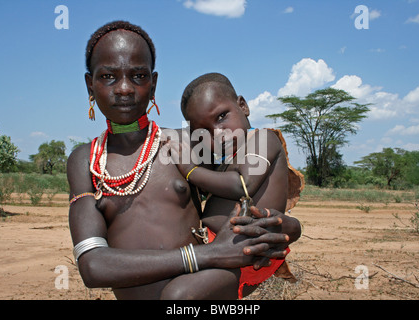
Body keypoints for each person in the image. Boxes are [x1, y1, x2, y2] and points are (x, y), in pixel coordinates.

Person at [67, 20, 300, 300]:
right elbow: (93, 267)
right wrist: (208, 254)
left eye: (138, 76)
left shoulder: (186, 142)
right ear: (89, 85)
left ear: (153, 86)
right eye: (108, 77)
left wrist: (288, 227)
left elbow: (249, 185)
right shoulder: (86, 161)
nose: (125, 88)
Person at [167, 72, 304, 299]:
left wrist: (191, 170)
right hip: (220, 248)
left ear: (243, 106)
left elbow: (243, 185)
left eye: (221, 117)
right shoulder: (225, 158)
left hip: (247, 252)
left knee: (181, 296)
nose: (218, 134)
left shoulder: (262, 139)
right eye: (204, 132)